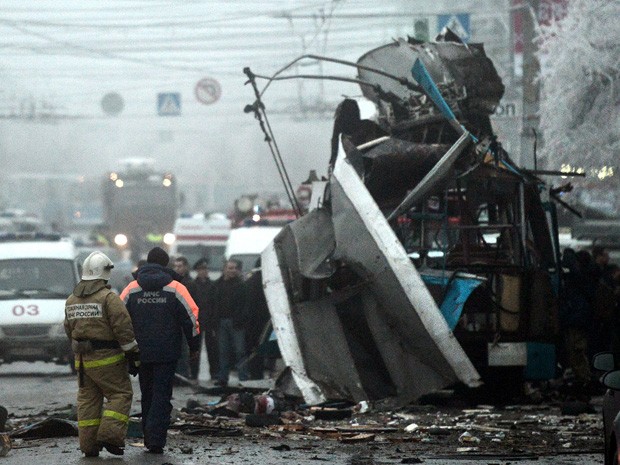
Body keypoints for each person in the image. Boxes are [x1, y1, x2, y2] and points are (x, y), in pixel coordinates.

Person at [120, 247, 200, 454]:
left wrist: (124, 348)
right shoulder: (176, 288)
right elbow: (191, 318)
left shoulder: (131, 289)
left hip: (140, 352)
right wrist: (194, 346)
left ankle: (149, 435)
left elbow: (119, 319)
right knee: (162, 394)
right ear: (167, 265)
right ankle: (155, 439)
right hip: (167, 352)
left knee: (147, 393)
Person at [64, 251, 140, 457]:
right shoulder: (108, 298)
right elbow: (123, 329)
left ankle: (88, 446)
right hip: (107, 359)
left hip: (82, 362)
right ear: (104, 273)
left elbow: (69, 330)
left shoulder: (71, 300)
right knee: (120, 394)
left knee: (88, 402)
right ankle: (109, 436)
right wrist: (133, 354)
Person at [212, 259, 248, 386]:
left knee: (240, 351)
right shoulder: (217, 285)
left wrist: (240, 319)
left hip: (236, 323)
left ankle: (243, 378)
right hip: (221, 322)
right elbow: (213, 304)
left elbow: (245, 305)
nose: (232, 271)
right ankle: (223, 377)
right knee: (223, 351)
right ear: (224, 269)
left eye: (234, 268)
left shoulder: (242, 285)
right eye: (230, 268)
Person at [172, 256, 198, 380]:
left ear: (186, 267)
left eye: (180, 266)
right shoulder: (171, 283)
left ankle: (183, 374)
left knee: (184, 350)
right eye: (175, 266)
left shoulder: (190, 284)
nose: (177, 269)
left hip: (185, 321)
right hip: (173, 321)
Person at [193, 258, 219, 380]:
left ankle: (214, 373)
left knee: (212, 349)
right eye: (201, 269)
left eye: (205, 269)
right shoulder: (193, 285)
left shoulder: (213, 285)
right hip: (197, 321)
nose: (204, 271)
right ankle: (194, 374)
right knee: (195, 349)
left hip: (210, 320)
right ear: (197, 271)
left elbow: (216, 303)